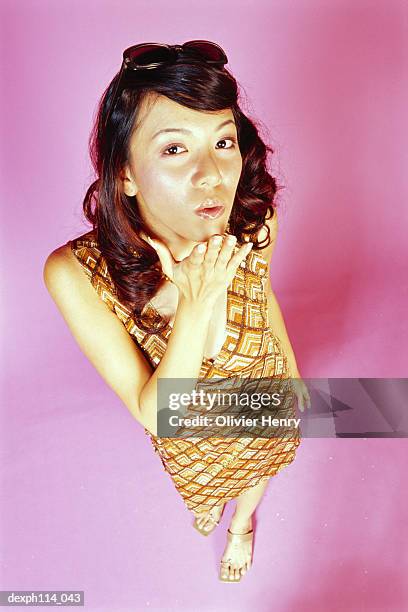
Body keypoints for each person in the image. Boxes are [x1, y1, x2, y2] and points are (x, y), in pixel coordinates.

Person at [43, 40, 310, 583]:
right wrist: (196, 301)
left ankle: (240, 524)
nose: (212, 175)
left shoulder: (256, 223)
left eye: (224, 142)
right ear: (125, 175)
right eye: (173, 149)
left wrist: (292, 374)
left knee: (265, 461)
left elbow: (264, 299)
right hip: (190, 425)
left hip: (265, 392)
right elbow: (157, 413)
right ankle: (216, 504)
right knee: (204, 483)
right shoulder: (75, 273)